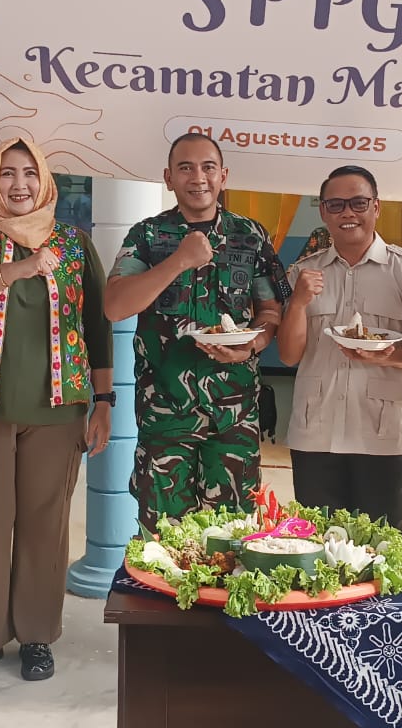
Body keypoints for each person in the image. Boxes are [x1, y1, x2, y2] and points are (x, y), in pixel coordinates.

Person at [0, 138, 113, 685]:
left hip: (58, 411)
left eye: (30, 173)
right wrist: (22, 267)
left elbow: (97, 325)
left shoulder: (75, 244)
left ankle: (37, 637)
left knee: (45, 527)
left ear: (46, 181)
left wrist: (104, 402)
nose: (20, 185)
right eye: (8, 173)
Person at [104, 133, 285, 530]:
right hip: (165, 413)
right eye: (185, 168)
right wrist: (178, 261)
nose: (198, 177)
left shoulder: (251, 236)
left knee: (234, 535)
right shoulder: (147, 235)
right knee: (162, 539)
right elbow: (115, 305)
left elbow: (271, 310)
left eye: (208, 167)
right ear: (169, 178)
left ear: (224, 176)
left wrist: (253, 345)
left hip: (235, 414)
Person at [277, 166, 402, 528]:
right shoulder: (303, 273)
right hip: (315, 433)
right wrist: (299, 303)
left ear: (376, 207)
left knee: (381, 544)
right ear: (323, 212)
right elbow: (289, 356)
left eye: (358, 203)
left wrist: (388, 355)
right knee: (317, 542)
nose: (347, 213)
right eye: (336, 205)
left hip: (380, 434)